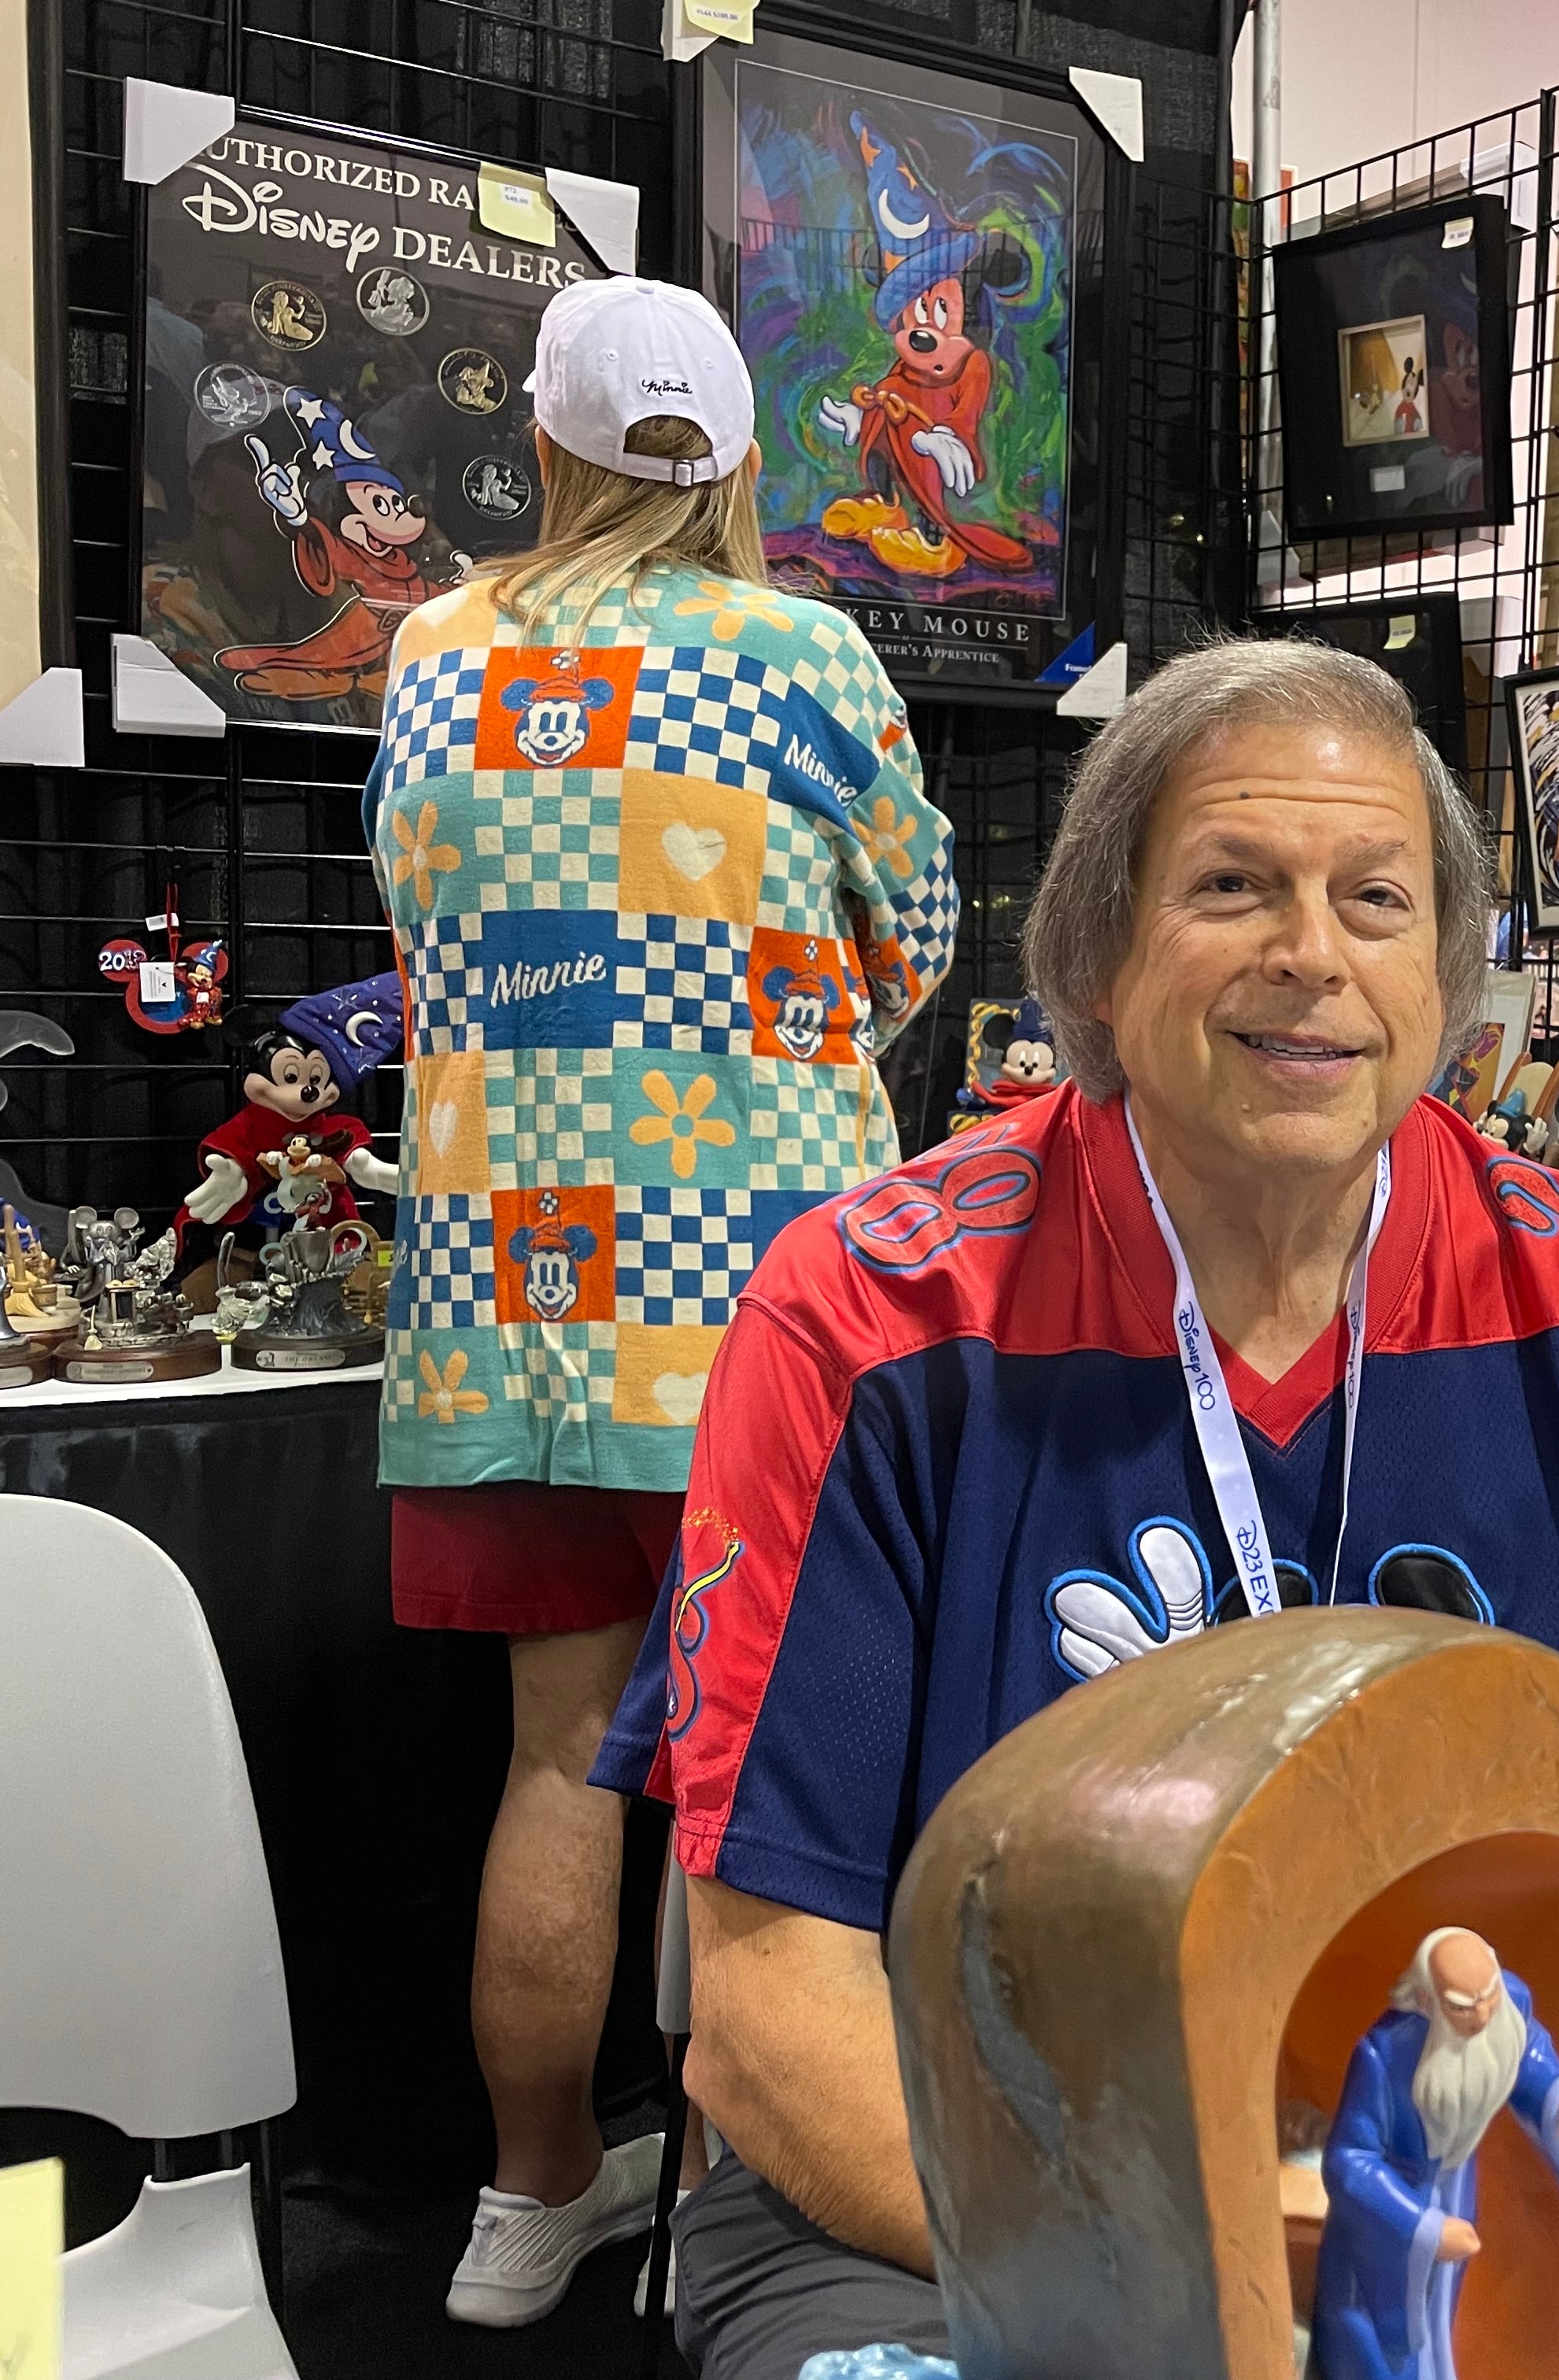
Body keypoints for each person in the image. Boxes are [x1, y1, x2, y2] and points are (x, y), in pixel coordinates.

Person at [589, 637, 1559, 2379]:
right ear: (1098, 958)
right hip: (994, 2160)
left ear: (1448, 975)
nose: (1311, 957)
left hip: (1517, 2107)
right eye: (1232, 887)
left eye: (1377, 900)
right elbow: (771, 1991)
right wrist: (1203, 2307)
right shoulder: (870, 1323)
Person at [365, 273, 955, 2328]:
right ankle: (720, 2207)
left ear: (545, 445)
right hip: (758, 1304)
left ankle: (529, 2214)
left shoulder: (433, 654)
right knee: (758, 1770)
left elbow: (424, 917)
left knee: (556, 1761)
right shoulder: (808, 654)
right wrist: (792, 1033)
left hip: (505, 1302)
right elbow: (924, 930)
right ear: (744, 464)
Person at [1314, 1928, 1559, 2380]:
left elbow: (1526, 2053)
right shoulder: (1383, 2054)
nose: (1482, 2014)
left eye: (1488, 1995)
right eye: (1462, 2005)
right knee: (1376, 2330)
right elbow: (1349, 2160)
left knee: (1438, 2312)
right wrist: (1423, 2227)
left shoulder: (1507, 2003)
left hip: (1454, 2187)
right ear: (1427, 2000)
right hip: (1389, 2216)